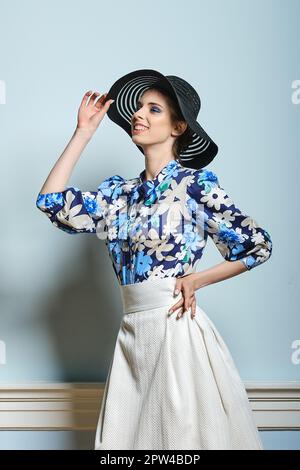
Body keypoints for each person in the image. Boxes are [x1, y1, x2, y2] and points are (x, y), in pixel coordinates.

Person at [35, 69, 273, 450]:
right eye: (139, 107)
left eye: (154, 109)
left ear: (178, 127)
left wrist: (197, 280)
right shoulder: (120, 195)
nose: (139, 115)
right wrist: (84, 132)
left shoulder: (194, 186)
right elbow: (51, 203)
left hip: (175, 330)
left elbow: (256, 245)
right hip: (131, 336)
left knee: (181, 444)